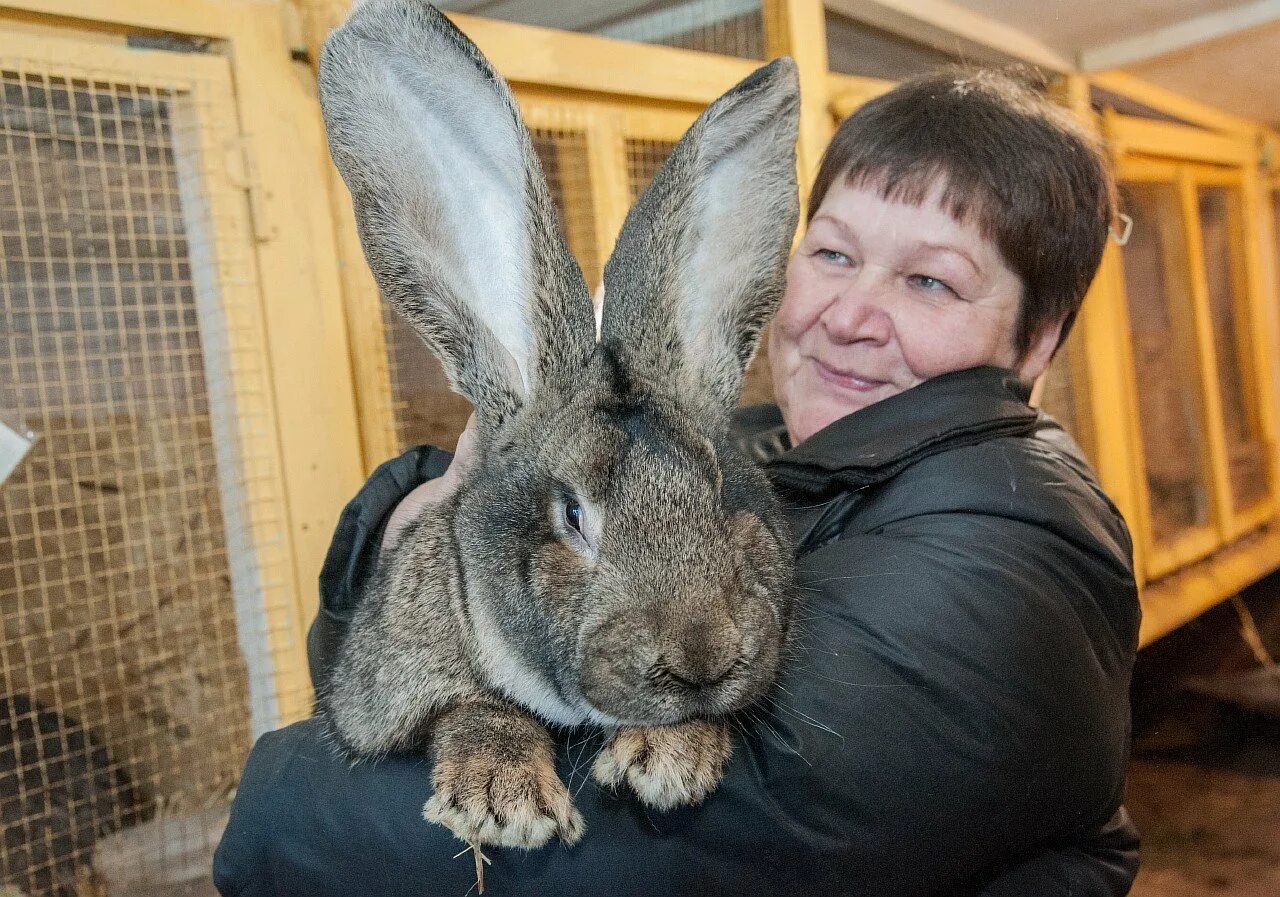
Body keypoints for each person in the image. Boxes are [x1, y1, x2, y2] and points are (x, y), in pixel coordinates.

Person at [214, 68, 1140, 896]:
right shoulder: (746, 448)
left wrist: (265, 803)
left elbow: (675, 848)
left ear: (1040, 337)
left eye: (931, 282)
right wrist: (421, 519)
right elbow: (403, 634)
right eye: (832, 254)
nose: (852, 314)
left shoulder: (1014, 555)